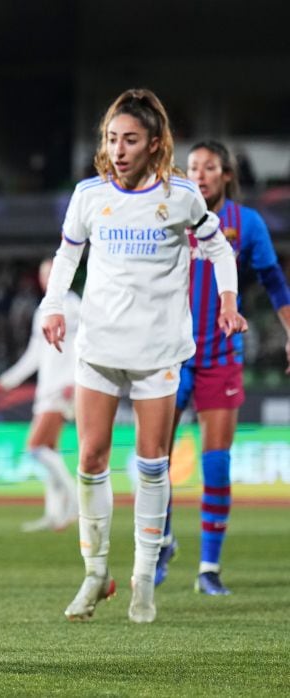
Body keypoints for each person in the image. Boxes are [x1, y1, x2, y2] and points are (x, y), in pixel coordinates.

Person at [40, 88, 247, 624]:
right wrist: (53, 304)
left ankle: (143, 581)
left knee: (152, 465)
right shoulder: (88, 194)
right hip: (100, 347)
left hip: (157, 350)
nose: (119, 148)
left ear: (155, 144)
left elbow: (219, 246)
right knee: (90, 459)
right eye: (112, 138)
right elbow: (67, 254)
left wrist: (228, 299)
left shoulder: (181, 195)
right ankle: (94, 574)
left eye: (130, 139)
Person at [154, 140, 290, 594]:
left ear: (226, 175)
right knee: (156, 460)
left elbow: (273, 281)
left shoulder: (245, 225)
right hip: (170, 355)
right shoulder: (169, 212)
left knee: (215, 464)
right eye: (193, 167)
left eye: (209, 167)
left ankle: (208, 570)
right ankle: (162, 541)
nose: (200, 174)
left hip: (221, 358)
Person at [0, 259, 79, 532]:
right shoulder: (45, 310)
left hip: (63, 388)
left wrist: (74, 381)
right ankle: (54, 513)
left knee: (35, 446)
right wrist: (8, 381)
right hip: (47, 387)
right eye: (44, 275)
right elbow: (35, 353)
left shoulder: (73, 306)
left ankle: (74, 502)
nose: (47, 278)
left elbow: (85, 345)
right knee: (49, 451)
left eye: (53, 273)